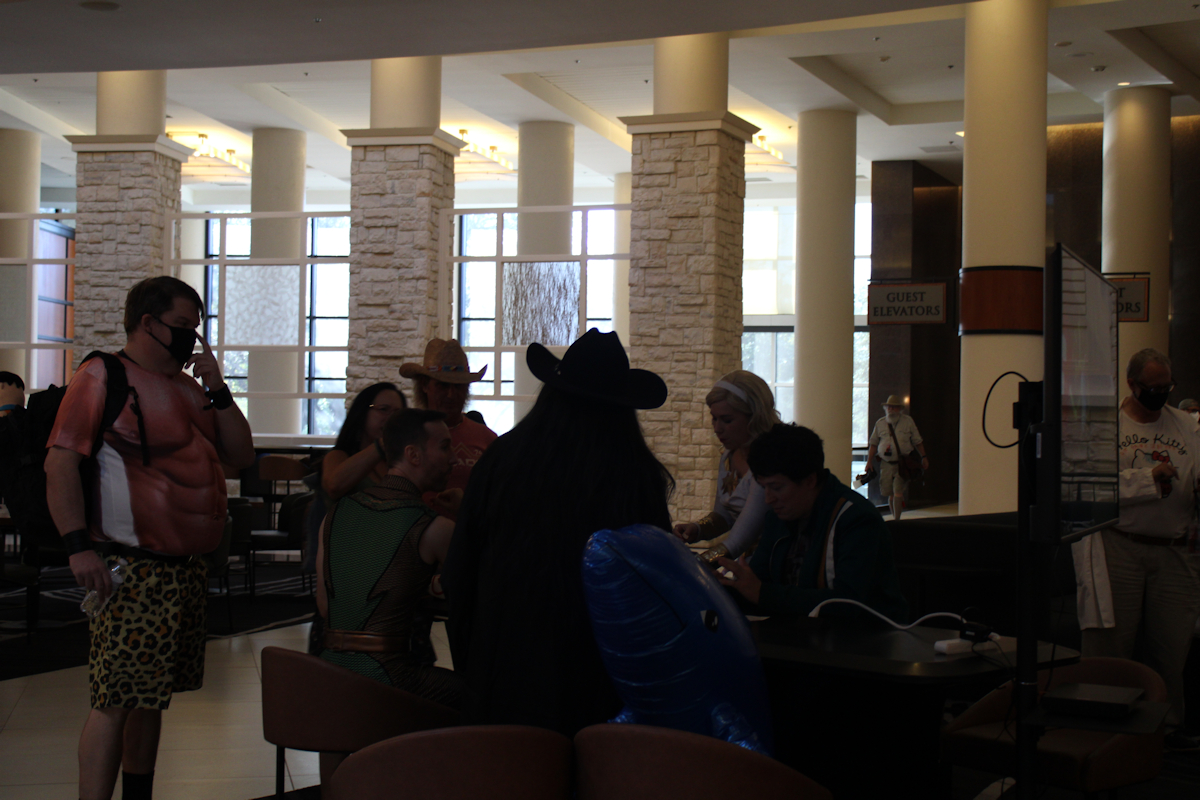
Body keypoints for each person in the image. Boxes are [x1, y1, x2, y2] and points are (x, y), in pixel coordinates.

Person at [44, 276, 255, 800]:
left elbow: (240, 454)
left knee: (150, 696)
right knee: (114, 699)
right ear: (147, 322)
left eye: (196, 328)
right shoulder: (103, 375)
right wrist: (78, 547)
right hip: (131, 568)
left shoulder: (188, 388)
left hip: (182, 570)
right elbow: (60, 464)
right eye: (182, 326)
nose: (191, 338)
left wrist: (219, 388)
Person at [442, 328, 674, 736]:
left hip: (505, 679)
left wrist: (474, 665)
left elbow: (460, 573)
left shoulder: (503, 461)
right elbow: (654, 590)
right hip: (601, 687)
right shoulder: (635, 476)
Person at [1073, 348, 1200, 748]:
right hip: (1120, 548)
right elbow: (1091, 488)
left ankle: (1167, 731)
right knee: (1112, 647)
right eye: (1153, 387)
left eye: (1167, 387)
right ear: (1132, 384)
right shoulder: (1105, 427)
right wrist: (1147, 480)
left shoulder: (1186, 426)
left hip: (1175, 550)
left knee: (1172, 649)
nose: (1161, 394)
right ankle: (1102, 732)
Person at [316, 408, 464, 708]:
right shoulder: (434, 527)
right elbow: (479, 597)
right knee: (482, 697)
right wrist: (467, 514)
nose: (454, 459)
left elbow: (325, 606)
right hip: (389, 680)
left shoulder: (335, 515)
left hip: (328, 673)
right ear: (413, 455)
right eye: (445, 447)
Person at [717, 423, 908, 623]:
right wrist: (722, 589)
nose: (768, 499)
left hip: (868, 638)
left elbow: (848, 604)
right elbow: (758, 588)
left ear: (810, 480)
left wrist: (762, 594)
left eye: (776, 487)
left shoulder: (857, 519)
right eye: (763, 487)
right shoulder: (778, 517)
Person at [673, 370, 779, 561]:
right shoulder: (729, 456)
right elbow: (724, 517)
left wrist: (699, 564)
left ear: (755, 417)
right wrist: (697, 529)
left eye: (727, 420)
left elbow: (741, 539)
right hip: (747, 564)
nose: (717, 428)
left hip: (775, 564)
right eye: (714, 418)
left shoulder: (771, 461)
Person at [400, 338, 497, 519]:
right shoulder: (404, 434)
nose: (451, 395)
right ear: (424, 385)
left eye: (458, 386)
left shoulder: (488, 440)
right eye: (442, 385)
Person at [865, 394, 929, 520]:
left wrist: (924, 456)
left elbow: (917, 441)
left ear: (899, 409)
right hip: (886, 463)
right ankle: (894, 515)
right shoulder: (880, 423)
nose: (890, 409)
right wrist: (869, 461)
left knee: (898, 491)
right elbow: (873, 444)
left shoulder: (908, 422)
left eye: (893, 407)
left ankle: (897, 519)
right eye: (889, 407)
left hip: (902, 464)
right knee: (889, 492)